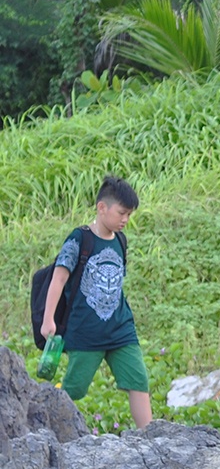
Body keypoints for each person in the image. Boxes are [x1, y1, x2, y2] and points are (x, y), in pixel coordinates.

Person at [40, 175, 153, 428]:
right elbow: (58, 280)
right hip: (86, 332)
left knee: (138, 380)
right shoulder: (79, 239)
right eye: (122, 213)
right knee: (74, 389)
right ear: (102, 208)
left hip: (120, 328)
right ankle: (46, 427)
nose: (125, 220)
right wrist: (48, 320)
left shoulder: (121, 241)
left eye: (129, 215)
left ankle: (151, 437)